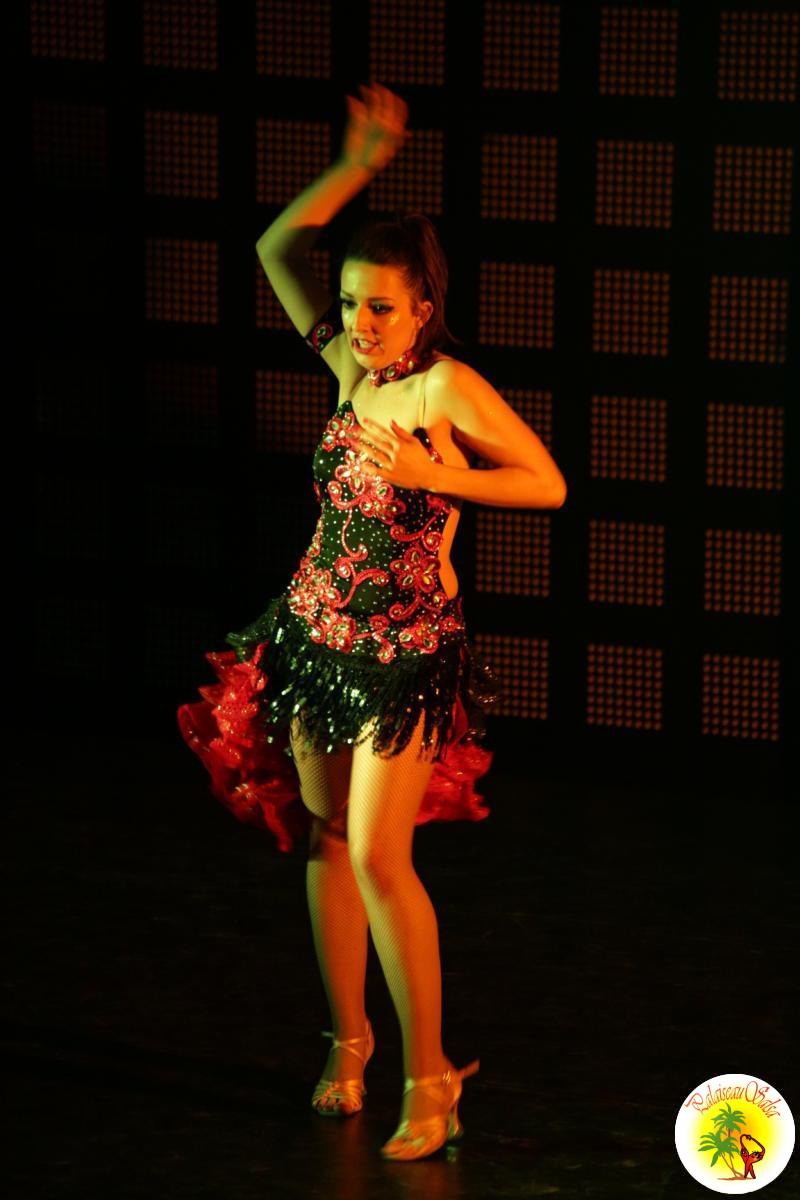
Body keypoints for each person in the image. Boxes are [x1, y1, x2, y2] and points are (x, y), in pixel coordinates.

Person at [177, 81, 567, 1162]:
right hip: (317, 639)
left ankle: (430, 1075)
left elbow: (545, 483)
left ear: (424, 307)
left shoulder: (444, 391)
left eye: (381, 307)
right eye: (350, 303)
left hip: (403, 659)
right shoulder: (351, 371)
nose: (358, 322)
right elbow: (273, 247)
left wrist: (443, 475)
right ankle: (348, 1041)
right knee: (327, 838)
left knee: (384, 859)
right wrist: (354, 167)